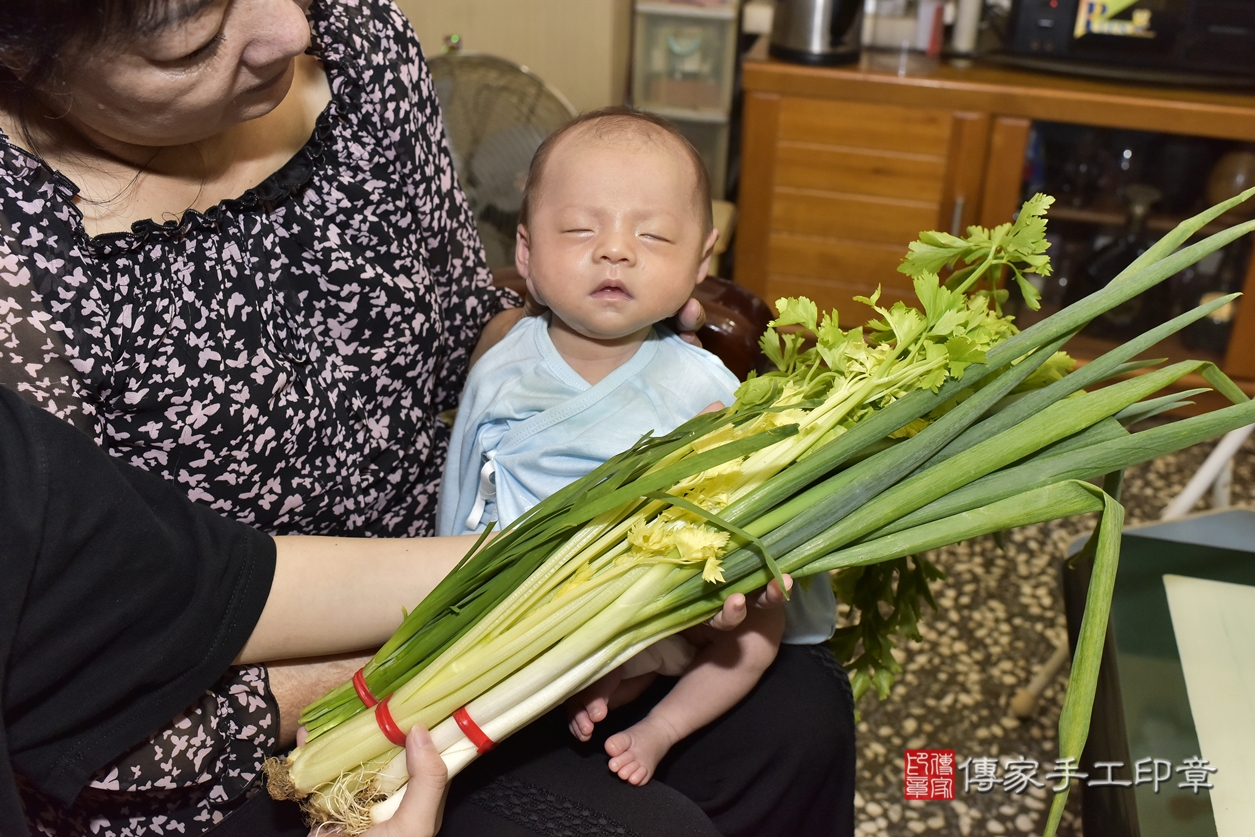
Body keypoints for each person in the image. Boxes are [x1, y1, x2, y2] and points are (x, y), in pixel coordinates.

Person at [0, 0, 854, 834]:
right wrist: (540, 630)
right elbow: (77, 705)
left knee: (800, 708)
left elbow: (457, 324)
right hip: (289, 707)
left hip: (487, 579)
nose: (291, 31)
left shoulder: (357, 43)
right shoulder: (19, 254)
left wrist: (600, 347)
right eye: (189, 41)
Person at [437, 108, 836, 788]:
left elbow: (748, 494)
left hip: (668, 606)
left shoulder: (704, 380)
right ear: (527, 254)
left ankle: (662, 725)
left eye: (651, 234)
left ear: (700, 260)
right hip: (538, 608)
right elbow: (460, 489)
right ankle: (582, 688)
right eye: (580, 229)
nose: (615, 249)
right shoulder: (504, 370)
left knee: (755, 636)